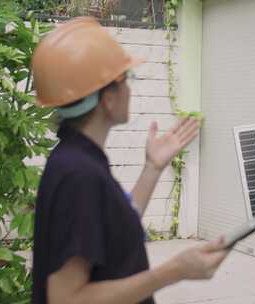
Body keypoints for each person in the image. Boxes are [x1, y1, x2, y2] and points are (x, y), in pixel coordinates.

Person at [31, 17, 229, 304]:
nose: (130, 89)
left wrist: (153, 167)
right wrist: (174, 270)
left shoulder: (76, 159)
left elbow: (115, 230)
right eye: (126, 79)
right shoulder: (79, 174)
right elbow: (66, 299)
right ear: (107, 98)